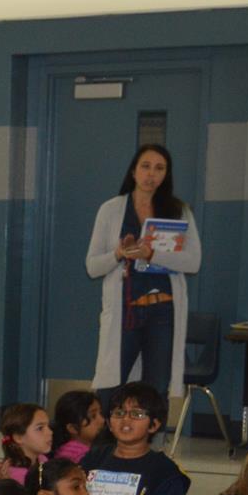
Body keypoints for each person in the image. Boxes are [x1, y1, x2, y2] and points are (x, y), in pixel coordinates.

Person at [87, 144, 203, 410]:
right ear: (133, 171)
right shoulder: (111, 210)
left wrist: (152, 255)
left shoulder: (179, 210)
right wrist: (117, 254)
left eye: (159, 168)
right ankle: (105, 446)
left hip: (163, 312)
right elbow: (92, 266)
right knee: (110, 387)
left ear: (167, 175)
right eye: (146, 166)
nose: (152, 174)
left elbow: (193, 262)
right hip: (124, 312)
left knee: (155, 388)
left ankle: (153, 447)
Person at [83, 382, 192, 495]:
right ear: (109, 424)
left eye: (137, 414)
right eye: (119, 413)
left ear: (154, 424)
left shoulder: (166, 472)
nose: (126, 420)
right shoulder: (94, 458)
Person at [0, 402, 54, 491]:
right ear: (18, 437)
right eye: (40, 428)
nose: (50, 432)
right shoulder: (14, 475)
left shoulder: (42, 459)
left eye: (48, 426)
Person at [52, 389, 106, 465]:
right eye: (93, 416)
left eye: (100, 413)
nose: (102, 420)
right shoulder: (76, 456)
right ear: (72, 428)